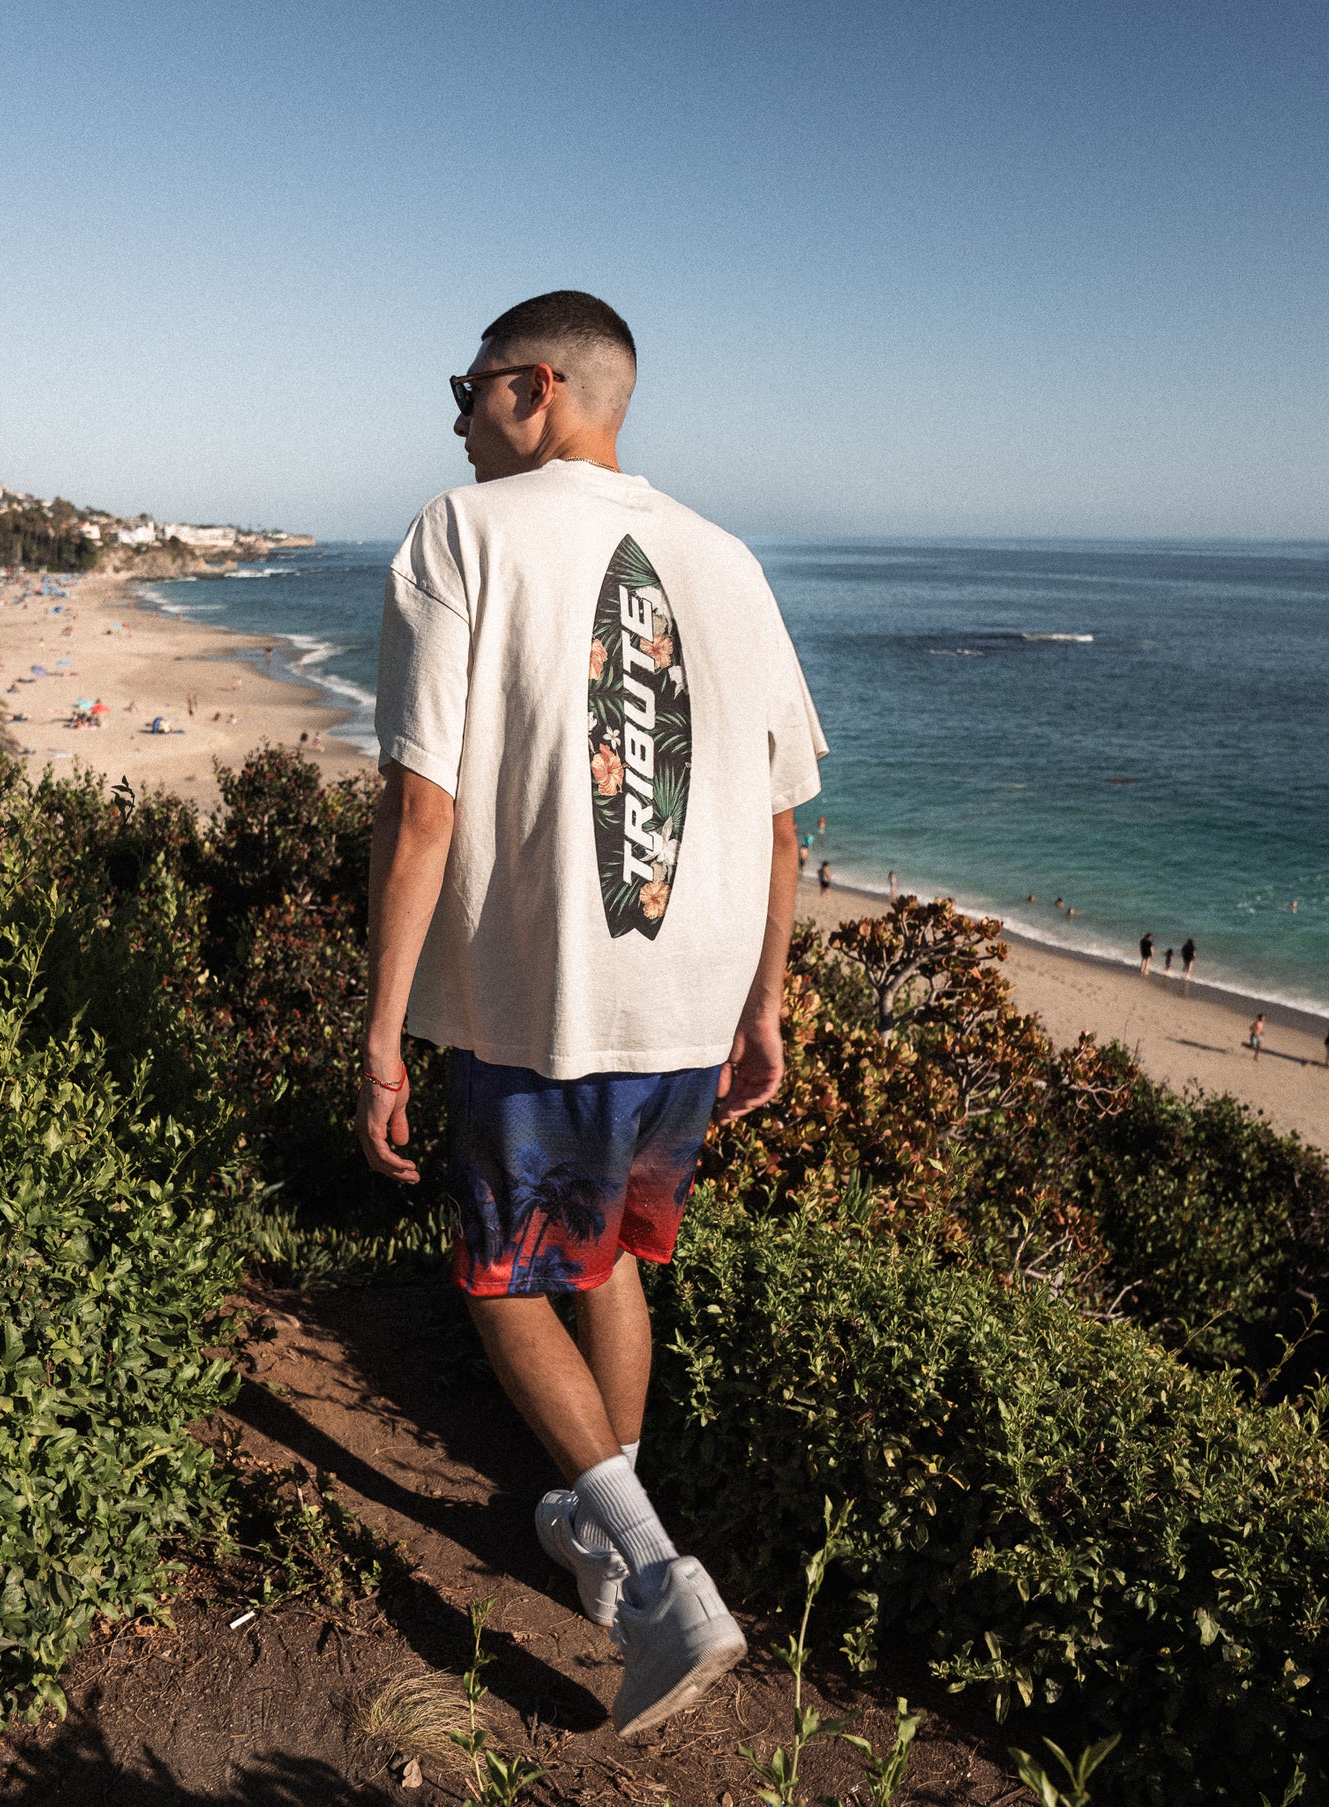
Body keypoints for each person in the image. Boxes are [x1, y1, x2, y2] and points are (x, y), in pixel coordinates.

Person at [356, 291, 826, 1740]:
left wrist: (377, 1036)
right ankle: (602, 1534)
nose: (451, 415)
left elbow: (420, 802)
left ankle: (659, 1579)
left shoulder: (462, 531)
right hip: (689, 1005)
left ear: (535, 389)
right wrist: (765, 1005)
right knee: (607, 1257)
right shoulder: (725, 556)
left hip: (541, 1001)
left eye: (467, 385)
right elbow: (782, 824)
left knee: (505, 1281)